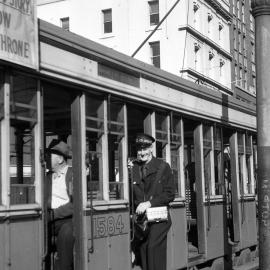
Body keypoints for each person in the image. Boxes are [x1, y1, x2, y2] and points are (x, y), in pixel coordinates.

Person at [130, 133, 175, 270]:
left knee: (153, 248)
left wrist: (149, 203)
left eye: (144, 149)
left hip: (159, 218)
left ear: (151, 149)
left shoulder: (163, 167)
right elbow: (130, 194)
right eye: (139, 150)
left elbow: (169, 194)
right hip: (142, 220)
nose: (142, 153)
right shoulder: (133, 168)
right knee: (143, 250)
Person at [45, 139, 74, 270]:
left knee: (66, 233)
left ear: (60, 159)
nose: (45, 158)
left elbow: (75, 204)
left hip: (69, 219)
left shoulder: (72, 174)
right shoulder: (47, 176)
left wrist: (53, 214)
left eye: (49, 155)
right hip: (49, 217)